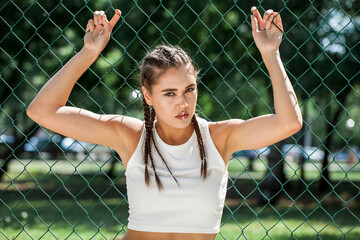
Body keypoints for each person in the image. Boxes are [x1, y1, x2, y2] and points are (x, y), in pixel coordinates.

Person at [26, 6, 302, 240]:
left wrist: (270, 53)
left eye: (189, 90)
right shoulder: (130, 135)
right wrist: (88, 52)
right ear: (148, 95)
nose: (182, 102)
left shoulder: (219, 137)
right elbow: (42, 111)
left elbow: (289, 123)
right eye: (169, 93)